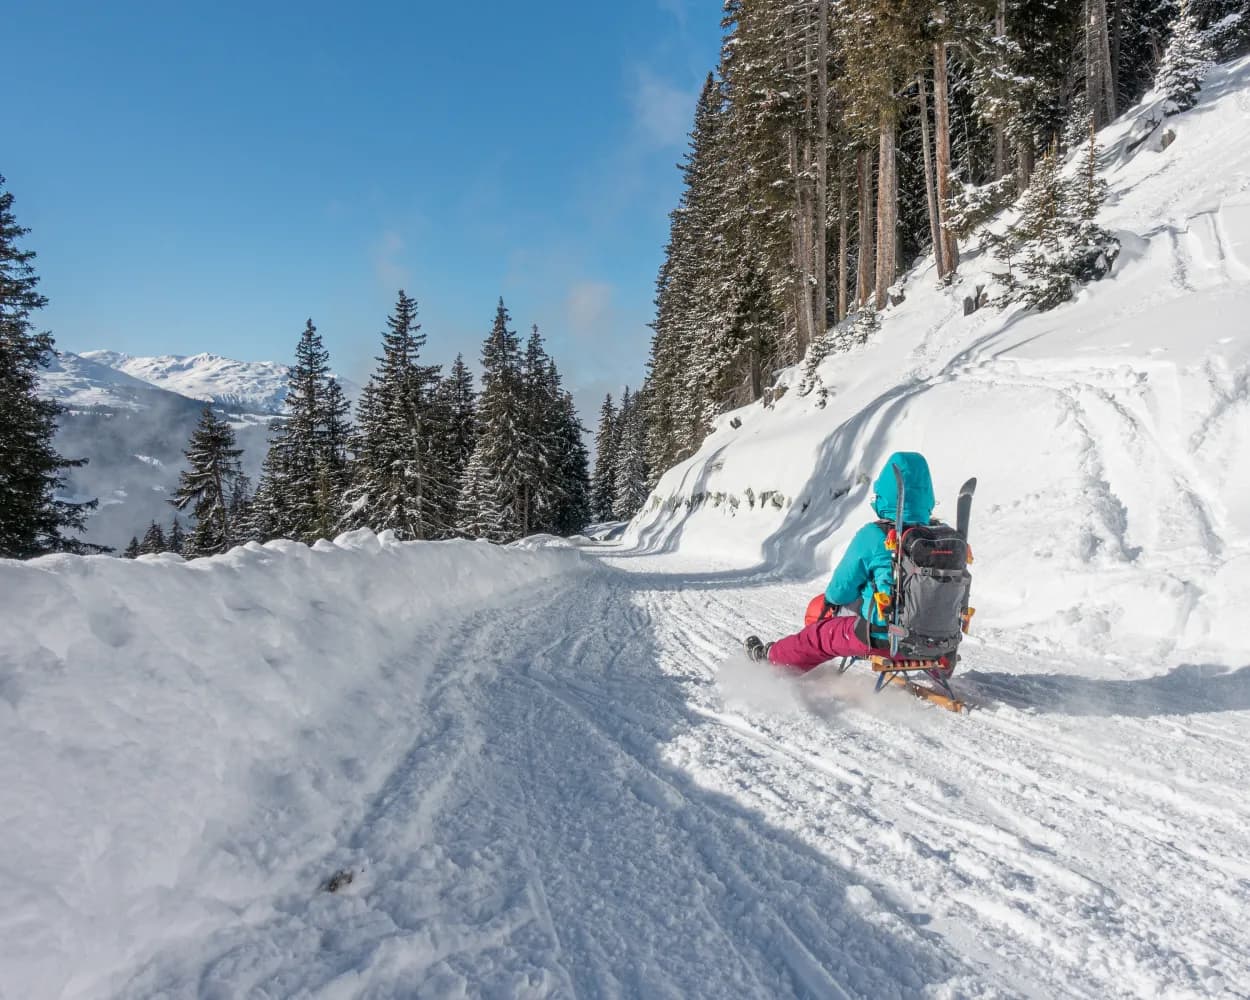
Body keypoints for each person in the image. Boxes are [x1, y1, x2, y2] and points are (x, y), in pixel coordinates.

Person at [743, 451, 937, 673]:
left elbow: (840, 590)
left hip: (884, 640)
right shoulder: (943, 536)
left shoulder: (875, 535)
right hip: (935, 643)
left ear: (884, 492)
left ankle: (772, 659)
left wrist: (832, 603)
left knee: (816, 636)